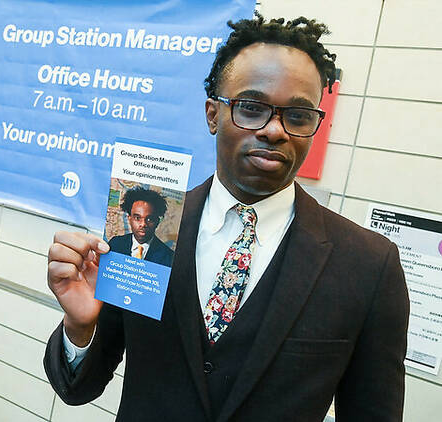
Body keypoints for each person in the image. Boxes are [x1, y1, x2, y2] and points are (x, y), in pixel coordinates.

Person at [44, 14, 409, 422]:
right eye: (251, 108)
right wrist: (79, 330)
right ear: (213, 114)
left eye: (298, 116)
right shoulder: (143, 237)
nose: (274, 130)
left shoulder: (368, 265)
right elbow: (78, 388)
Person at [108, 187, 174, 266]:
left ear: (157, 221)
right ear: (130, 219)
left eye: (149, 219)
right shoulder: (115, 244)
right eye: (137, 218)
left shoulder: (169, 257)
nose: (143, 224)